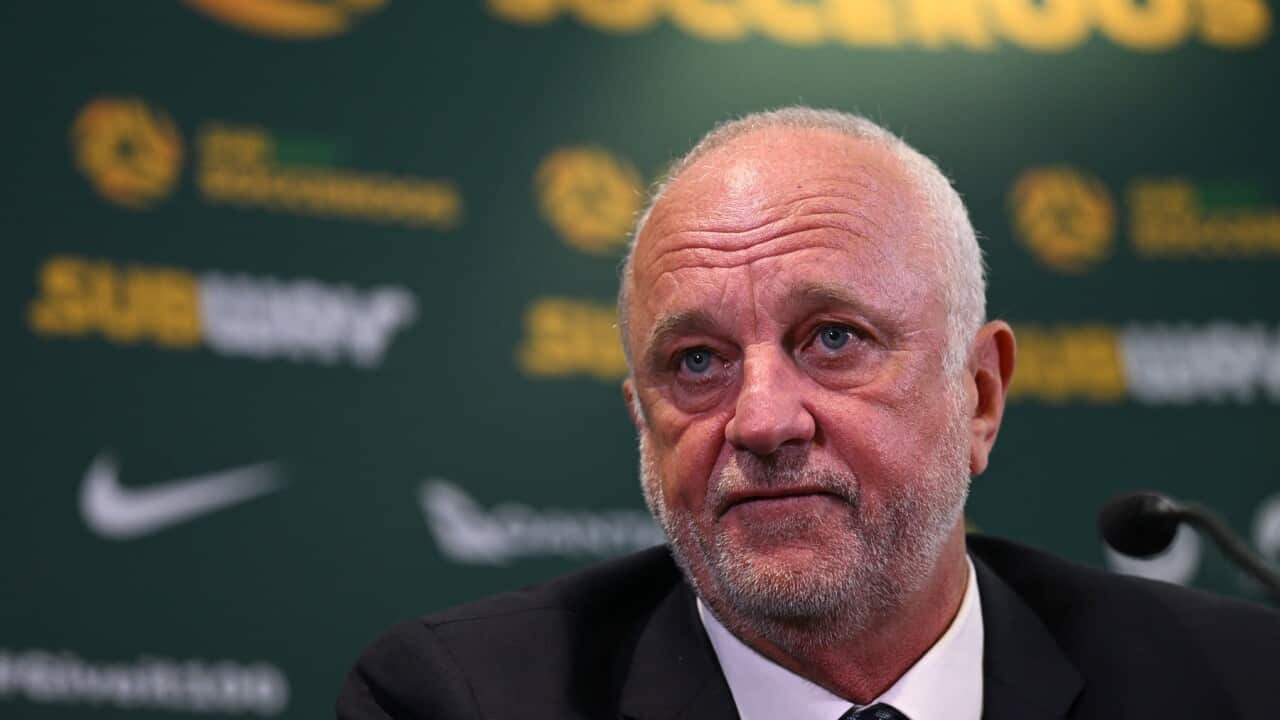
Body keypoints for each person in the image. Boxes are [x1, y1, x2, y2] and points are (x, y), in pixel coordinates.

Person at [336, 107, 1280, 720]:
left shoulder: (1235, 686)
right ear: (642, 420)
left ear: (979, 395)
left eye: (833, 339)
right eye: (696, 362)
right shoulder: (455, 704)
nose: (762, 420)